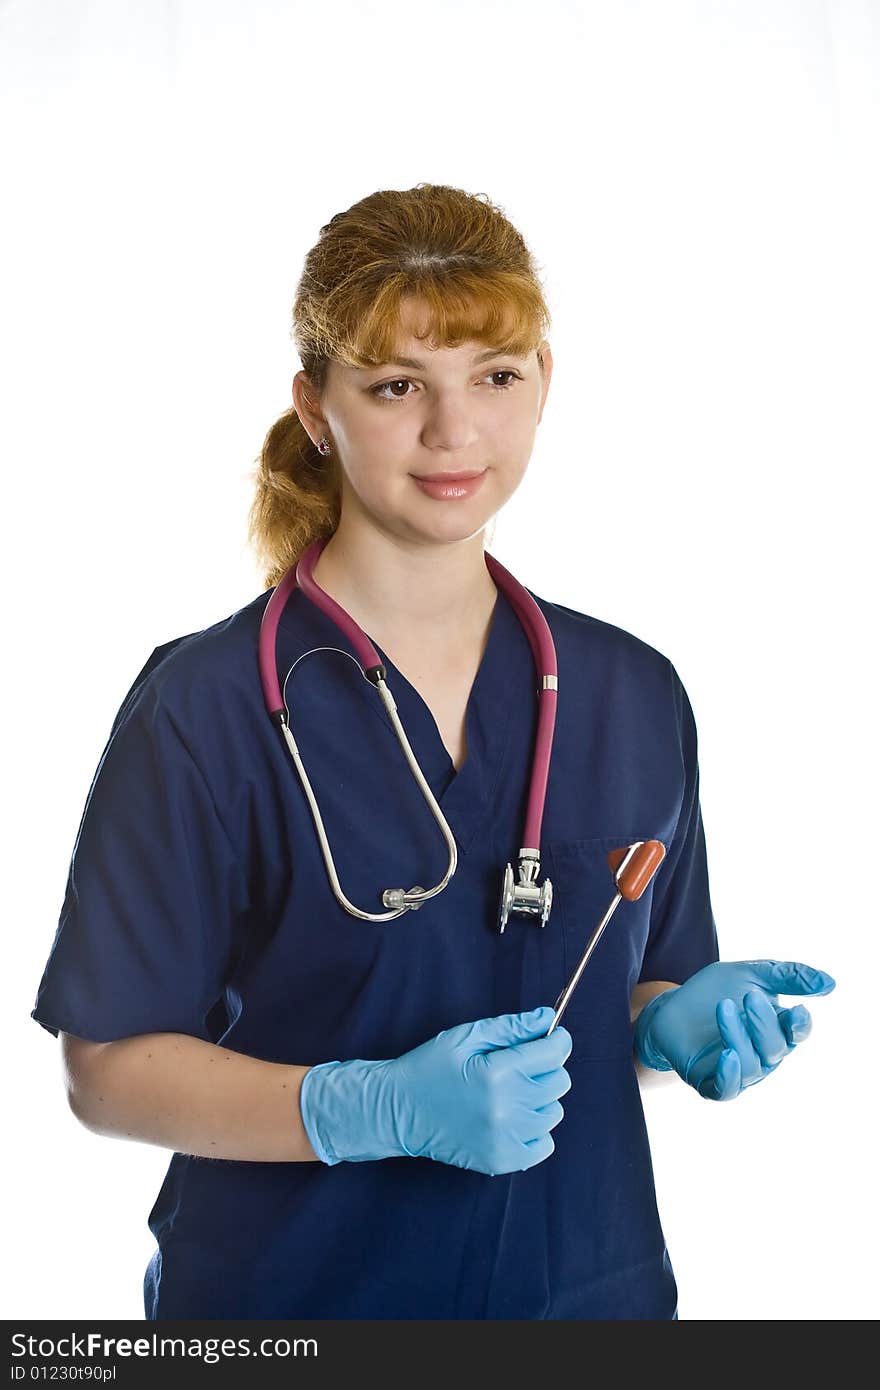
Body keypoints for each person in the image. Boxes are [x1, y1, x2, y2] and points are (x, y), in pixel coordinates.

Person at [30, 183, 835, 1321]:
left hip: (590, 1302)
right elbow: (105, 1070)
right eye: (397, 386)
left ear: (544, 382)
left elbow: (624, 992)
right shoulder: (204, 707)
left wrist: (670, 1022)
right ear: (316, 406)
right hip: (287, 1313)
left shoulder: (631, 692)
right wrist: (372, 1106)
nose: (453, 433)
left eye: (494, 379)